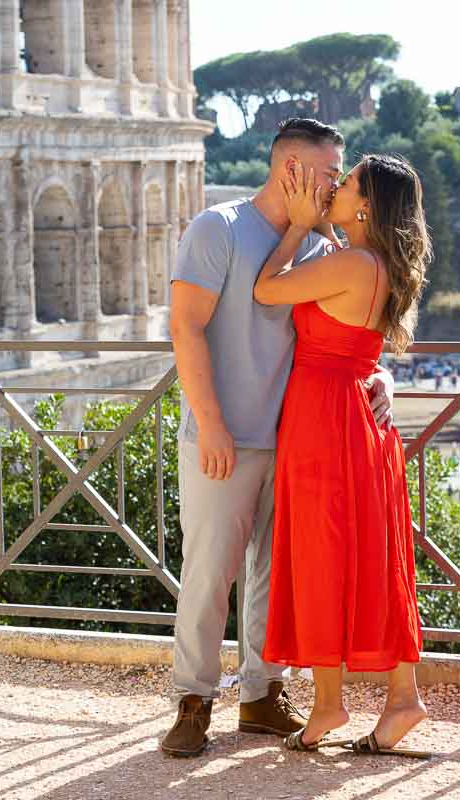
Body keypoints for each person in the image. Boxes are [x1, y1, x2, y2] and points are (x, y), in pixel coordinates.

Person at [161, 118, 394, 758]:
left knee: (276, 576)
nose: (335, 188)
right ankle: (193, 702)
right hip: (224, 435)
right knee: (209, 574)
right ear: (288, 168)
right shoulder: (219, 228)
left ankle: (263, 696)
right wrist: (210, 423)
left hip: (297, 440)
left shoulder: (319, 248)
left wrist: (383, 379)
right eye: (327, 175)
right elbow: (185, 328)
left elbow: (343, 332)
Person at [254, 152, 429, 759]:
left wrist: (300, 224)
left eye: (345, 182)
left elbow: (266, 290)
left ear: (367, 205)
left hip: (327, 422)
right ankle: (372, 699)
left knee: (323, 552)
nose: (335, 187)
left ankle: (343, 700)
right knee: (365, 555)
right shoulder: (366, 260)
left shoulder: (353, 262)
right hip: (350, 418)